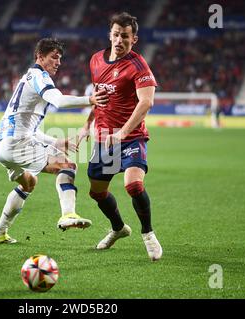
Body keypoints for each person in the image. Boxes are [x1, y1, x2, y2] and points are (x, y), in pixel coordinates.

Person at [0, 38, 109, 244]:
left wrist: (57, 142)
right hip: (18, 144)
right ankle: (68, 214)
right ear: (39, 57)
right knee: (67, 166)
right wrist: (89, 99)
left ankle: (0, 233)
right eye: (54, 57)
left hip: (2, 147)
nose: (58, 62)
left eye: (60, 58)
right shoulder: (39, 76)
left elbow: (29, 128)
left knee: (29, 183)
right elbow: (59, 101)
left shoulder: (26, 78)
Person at [77, 12, 163, 261]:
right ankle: (118, 228)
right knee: (96, 192)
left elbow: (147, 102)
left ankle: (148, 234)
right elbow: (99, 98)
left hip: (131, 137)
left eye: (125, 36)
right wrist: (86, 126)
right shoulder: (95, 60)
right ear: (110, 35)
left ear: (133, 39)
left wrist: (123, 132)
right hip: (104, 139)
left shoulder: (138, 66)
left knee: (133, 185)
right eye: (116, 35)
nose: (119, 40)